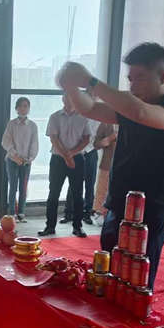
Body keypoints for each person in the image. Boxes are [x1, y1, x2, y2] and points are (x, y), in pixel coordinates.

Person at [57, 42, 164, 289]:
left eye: (140, 78)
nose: (132, 86)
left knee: (136, 285)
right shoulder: (131, 106)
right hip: (118, 203)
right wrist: (71, 85)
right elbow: (90, 108)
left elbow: (142, 113)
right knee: (108, 277)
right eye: (130, 79)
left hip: (151, 209)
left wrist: (90, 81)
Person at [39, 94, 91, 238]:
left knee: (78, 194)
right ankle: (50, 227)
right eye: (67, 97)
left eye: (72, 98)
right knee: (53, 193)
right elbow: (54, 139)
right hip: (58, 159)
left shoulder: (83, 117)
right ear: (63, 99)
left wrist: (71, 154)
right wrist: (66, 156)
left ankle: (77, 227)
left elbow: (86, 138)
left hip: (77, 159)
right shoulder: (55, 117)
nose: (69, 100)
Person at [1, 97, 39, 221]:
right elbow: (5, 141)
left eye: (26, 106)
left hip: (26, 161)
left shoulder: (33, 126)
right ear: (16, 108)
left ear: (29, 108)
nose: (23, 108)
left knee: (23, 186)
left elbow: (34, 143)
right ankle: (11, 213)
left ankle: (21, 213)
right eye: (21, 106)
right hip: (12, 159)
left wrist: (30, 158)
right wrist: (15, 155)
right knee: (13, 186)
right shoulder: (11, 124)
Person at [62, 117, 98, 225]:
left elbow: (97, 137)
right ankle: (68, 213)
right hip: (76, 153)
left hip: (90, 152)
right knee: (73, 183)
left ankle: (87, 213)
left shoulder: (98, 119)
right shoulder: (77, 117)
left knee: (90, 183)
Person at [91, 121, 118, 225]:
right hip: (107, 164)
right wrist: (109, 139)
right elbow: (96, 144)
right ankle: (99, 213)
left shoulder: (131, 122)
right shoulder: (106, 123)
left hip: (125, 166)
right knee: (102, 190)